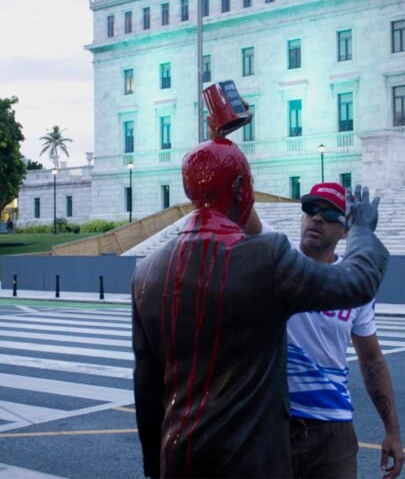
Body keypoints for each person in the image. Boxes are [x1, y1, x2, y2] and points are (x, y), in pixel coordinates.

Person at [131, 137, 390, 478]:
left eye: (326, 215)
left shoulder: (146, 270)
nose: (315, 219)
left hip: (179, 455)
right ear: (241, 188)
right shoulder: (266, 258)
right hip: (250, 459)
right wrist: (362, 231)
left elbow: (146, 384)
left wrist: (155, 463)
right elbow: (357, 283)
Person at [286, 182, 404, 479]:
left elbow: (372, 360)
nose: (317, 218)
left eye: (329, 214)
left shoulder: (353, 283)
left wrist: (392, 430)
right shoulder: (277, 260)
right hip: (275, 424)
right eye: (310, 210)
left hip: (333, 432)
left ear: (346, 231)